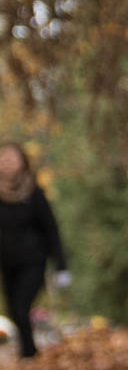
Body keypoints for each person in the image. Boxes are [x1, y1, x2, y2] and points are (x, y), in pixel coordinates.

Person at [0, 143, 70, 358]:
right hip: (6, 262)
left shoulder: (33, 191)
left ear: (22, 162)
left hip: (32, 261)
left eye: (11, 158)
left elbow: (50, 228)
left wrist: (61, 266)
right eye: (3, 159)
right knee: (14, 310)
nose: (7, 163)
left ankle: (30, 354)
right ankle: (28, 352)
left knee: (21, 306)